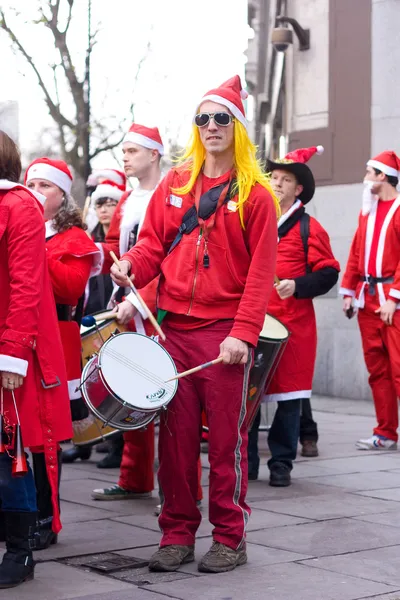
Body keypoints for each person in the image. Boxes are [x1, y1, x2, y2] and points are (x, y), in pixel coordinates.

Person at [110, 76, 279, 573]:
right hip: (173, 333)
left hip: (222, 335)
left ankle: (230, 537)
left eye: (221, 118)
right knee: (176, 441)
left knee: (226, 443)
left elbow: (261, 276)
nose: (210, 127)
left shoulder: (257, 195)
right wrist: (131, 266)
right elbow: (152, 247)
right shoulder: (175, 184)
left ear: (239, 128)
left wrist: (243, 335)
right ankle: (177, 533)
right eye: (202, 119)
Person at [0, 131, 71, 588]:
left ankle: (20, 552)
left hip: (8, 348)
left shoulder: (18, 205)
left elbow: (27, 286)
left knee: (9, 455)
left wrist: (11, 354)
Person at [247, 146, 340, 487]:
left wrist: (297, 285)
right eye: (274, 177)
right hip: (255, 321)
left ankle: (282, 464)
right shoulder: (255, 219)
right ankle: (249, 462)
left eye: (286, 180)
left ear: (298, 189)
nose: (277, 184)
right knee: (250, 394)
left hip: (293, 325)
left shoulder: (309, 228)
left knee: (289, 398)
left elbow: (329, 272)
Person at [25, 158, 100, 548]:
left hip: (54, 338)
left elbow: (69, 289)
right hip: (17, 338)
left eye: (44, 186)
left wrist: (32, 244)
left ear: (62, 196)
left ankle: (45, 516)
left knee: (45, 436)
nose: (35, 192)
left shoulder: (74, 239)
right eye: (31, 184)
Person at [91, 123, 164, 499]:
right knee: (132, 391)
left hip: (157, 309)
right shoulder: (125, 200)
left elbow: (168, 260)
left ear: (154, 154)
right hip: (125, 305)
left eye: (133, 151)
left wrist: (138, 301)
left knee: (164, 398)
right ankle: (134, 478)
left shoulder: (170, 197)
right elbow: (111, 249)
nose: (125, 157)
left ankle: (175, 489)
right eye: (123, 152)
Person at [340, 150, 400, 450]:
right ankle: (385, 433)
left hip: (393, 306)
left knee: (399, 370)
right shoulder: (368, 210)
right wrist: (349, 292)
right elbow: (356, 253)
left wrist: (394, 298)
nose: (365, 179)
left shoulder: (399, 209)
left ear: (382, 176)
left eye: (368, 173)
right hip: (368, 303)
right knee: (378, 372)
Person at [64, 181, 124, 467]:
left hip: (111, 313)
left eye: (112, 203)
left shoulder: (123, 238)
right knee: (84, 380)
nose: (105, 210)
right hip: (88, 312)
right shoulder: (91, 235)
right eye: (101, 204)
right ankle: (84, 442)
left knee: (112, 381)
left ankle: (116, 445)